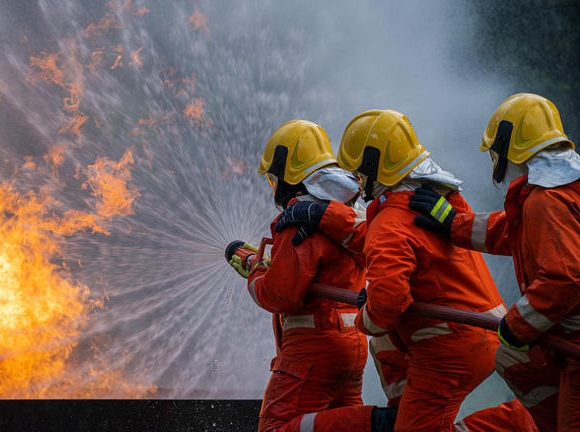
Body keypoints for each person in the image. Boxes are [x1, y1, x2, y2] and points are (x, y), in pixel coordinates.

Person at [272, 110, 536, 431]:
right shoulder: (434, 201)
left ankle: (527, 422)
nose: (356, 179)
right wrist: (323, 215)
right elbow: (375, 240)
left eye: (358, 170)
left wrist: (363, 315)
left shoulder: (390, 222)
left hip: (449, 347)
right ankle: (532, 416)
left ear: (373, 166)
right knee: (415, 419)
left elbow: (386, 305)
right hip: (480, 333)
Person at [408, 93, 580, 431]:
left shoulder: (545, 201)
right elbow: (514, 231)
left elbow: (565, 278)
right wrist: (450, 222)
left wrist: (517, 324)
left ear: (508, 146)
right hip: (568, 344)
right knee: (513, 359)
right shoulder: (563, 190)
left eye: (495, 152)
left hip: (576, 352)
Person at [228, 119, 397, 431]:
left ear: (287, 175)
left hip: (312, 349)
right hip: (351, 344)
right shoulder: (348, 211)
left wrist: (256, 272)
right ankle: (370, 422)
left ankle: (377, 423)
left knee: (277, 427)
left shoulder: (299, 218)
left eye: (274, 178)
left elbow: (281, 296)